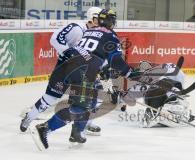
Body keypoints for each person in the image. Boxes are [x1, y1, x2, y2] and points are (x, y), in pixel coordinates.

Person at [30, 9, 139, 150]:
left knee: (92, 100)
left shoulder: (88, 31)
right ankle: (45, 128)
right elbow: (116, 61)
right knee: (79, 107)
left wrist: (103, 70)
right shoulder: (111, 36)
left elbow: (91, 53)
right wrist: (131, 74)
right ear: (111, 22)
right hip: (83, 72)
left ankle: (77, 132)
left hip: (69, 66)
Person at [20, 6, 102, 136]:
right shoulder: (77, 28)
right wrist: (69, 54)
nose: (102, 21)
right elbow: (55, 38)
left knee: (91, 98)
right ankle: (29, 117)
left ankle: (85, 125)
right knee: (50, 99)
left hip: (82, 74)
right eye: (99, 18)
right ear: (91, 18)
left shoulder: (98, 34)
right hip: (65, 70)